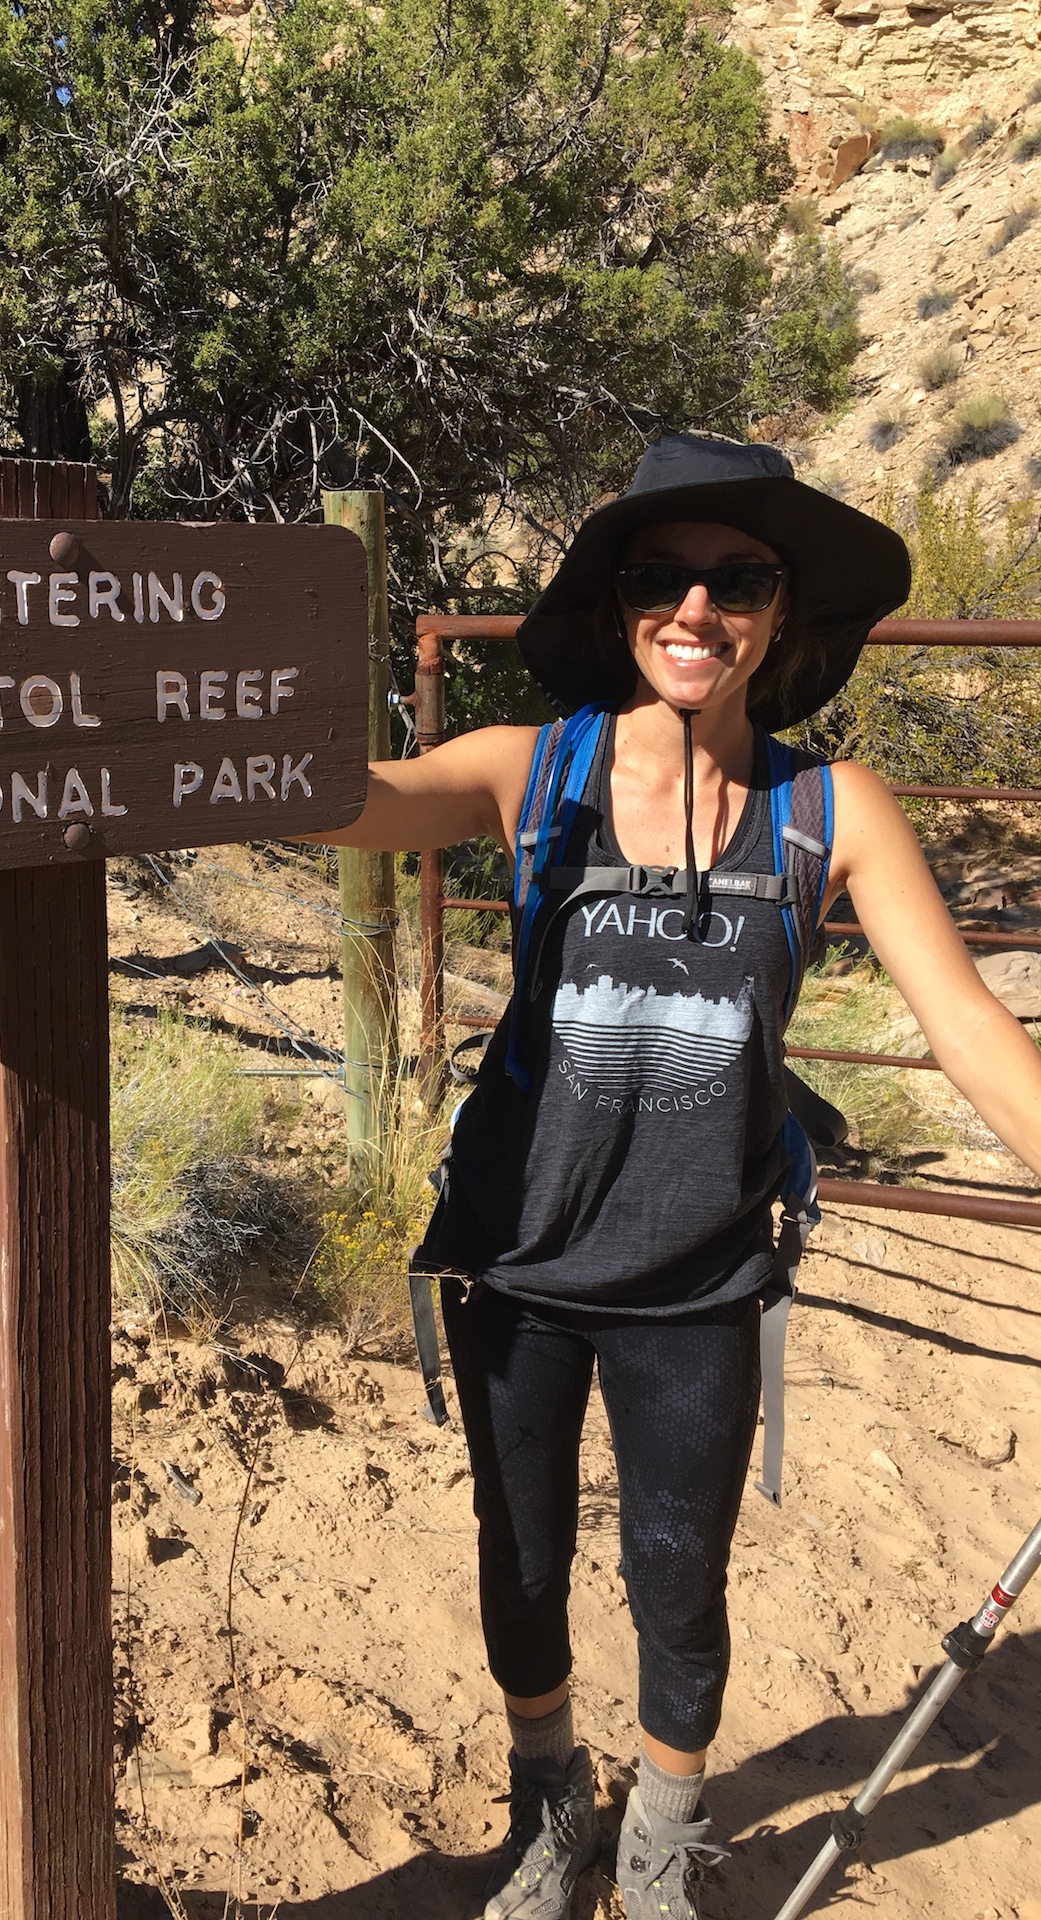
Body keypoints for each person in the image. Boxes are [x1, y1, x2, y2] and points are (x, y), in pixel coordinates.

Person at [318, 434, 1041, 1919]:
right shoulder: (534, 770)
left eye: (738, 580)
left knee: (676, 1577)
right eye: (665, 577)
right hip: (514, 1263)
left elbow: (967, 1025)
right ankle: (549, 1808)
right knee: (517, 1563)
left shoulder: (832, 812)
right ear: (622, 602)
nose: (698, 610)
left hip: (700, 1279)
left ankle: (661, 1835)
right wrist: (169, 721)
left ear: (780, 615)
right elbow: (357, 803)